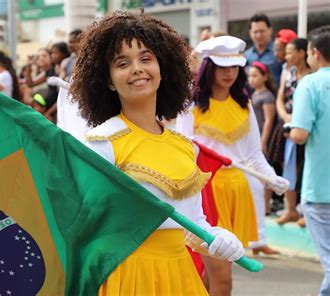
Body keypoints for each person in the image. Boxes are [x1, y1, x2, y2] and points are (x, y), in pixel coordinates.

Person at [70, 11, 245, 295]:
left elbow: (194, 224)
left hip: (179, 275)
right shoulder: (103, 142)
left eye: (146, 58)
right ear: (109, 81)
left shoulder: (183, 145)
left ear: (163, 69)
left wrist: (215, 237)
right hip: (127, 277)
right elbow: (85, 229)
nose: (137, 69)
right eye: (122, 63)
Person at [176, 36, 288, 296]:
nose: (229, 73)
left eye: (234, 67)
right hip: (204, 193)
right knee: (222, 278)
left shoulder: (244, 104)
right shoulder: (190, 106)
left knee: (209, 275)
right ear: (209, 67)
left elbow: (252, 154)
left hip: (236, 189)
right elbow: (182, 151)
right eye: (221, 66)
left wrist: (271, 177)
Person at [290, 25, 330, 296]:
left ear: (314, 53)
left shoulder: (311, 84)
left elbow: (300, 134)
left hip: (320, 189)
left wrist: (289, 128)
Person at [273, 38, 311, 225]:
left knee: (304, 167)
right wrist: (285, 117)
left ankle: (305, 211)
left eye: (290, 52)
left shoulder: (312, 75)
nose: (286, 56)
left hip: (305, 127)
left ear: (302, 53)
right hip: (287, 125)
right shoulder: (287, 71)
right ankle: (290, 209)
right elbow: (280, 97)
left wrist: (298, 119)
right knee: (287, 166)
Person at [247, 61, 280, 223]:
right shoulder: (254, 95)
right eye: (250, 76)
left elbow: (268, 120)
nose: (252, 79)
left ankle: (266, 205)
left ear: (265, 76)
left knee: (265, 172)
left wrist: (263, 141)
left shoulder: (267, 96)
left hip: (263, 138)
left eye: (255, 75)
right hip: (256, 138)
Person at [245, 14, 282, 87]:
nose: (259, 35)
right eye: (255, 32)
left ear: (270, 30)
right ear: (250, 33)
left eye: (262, 31)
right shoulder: (246, 55)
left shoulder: (279, 52)